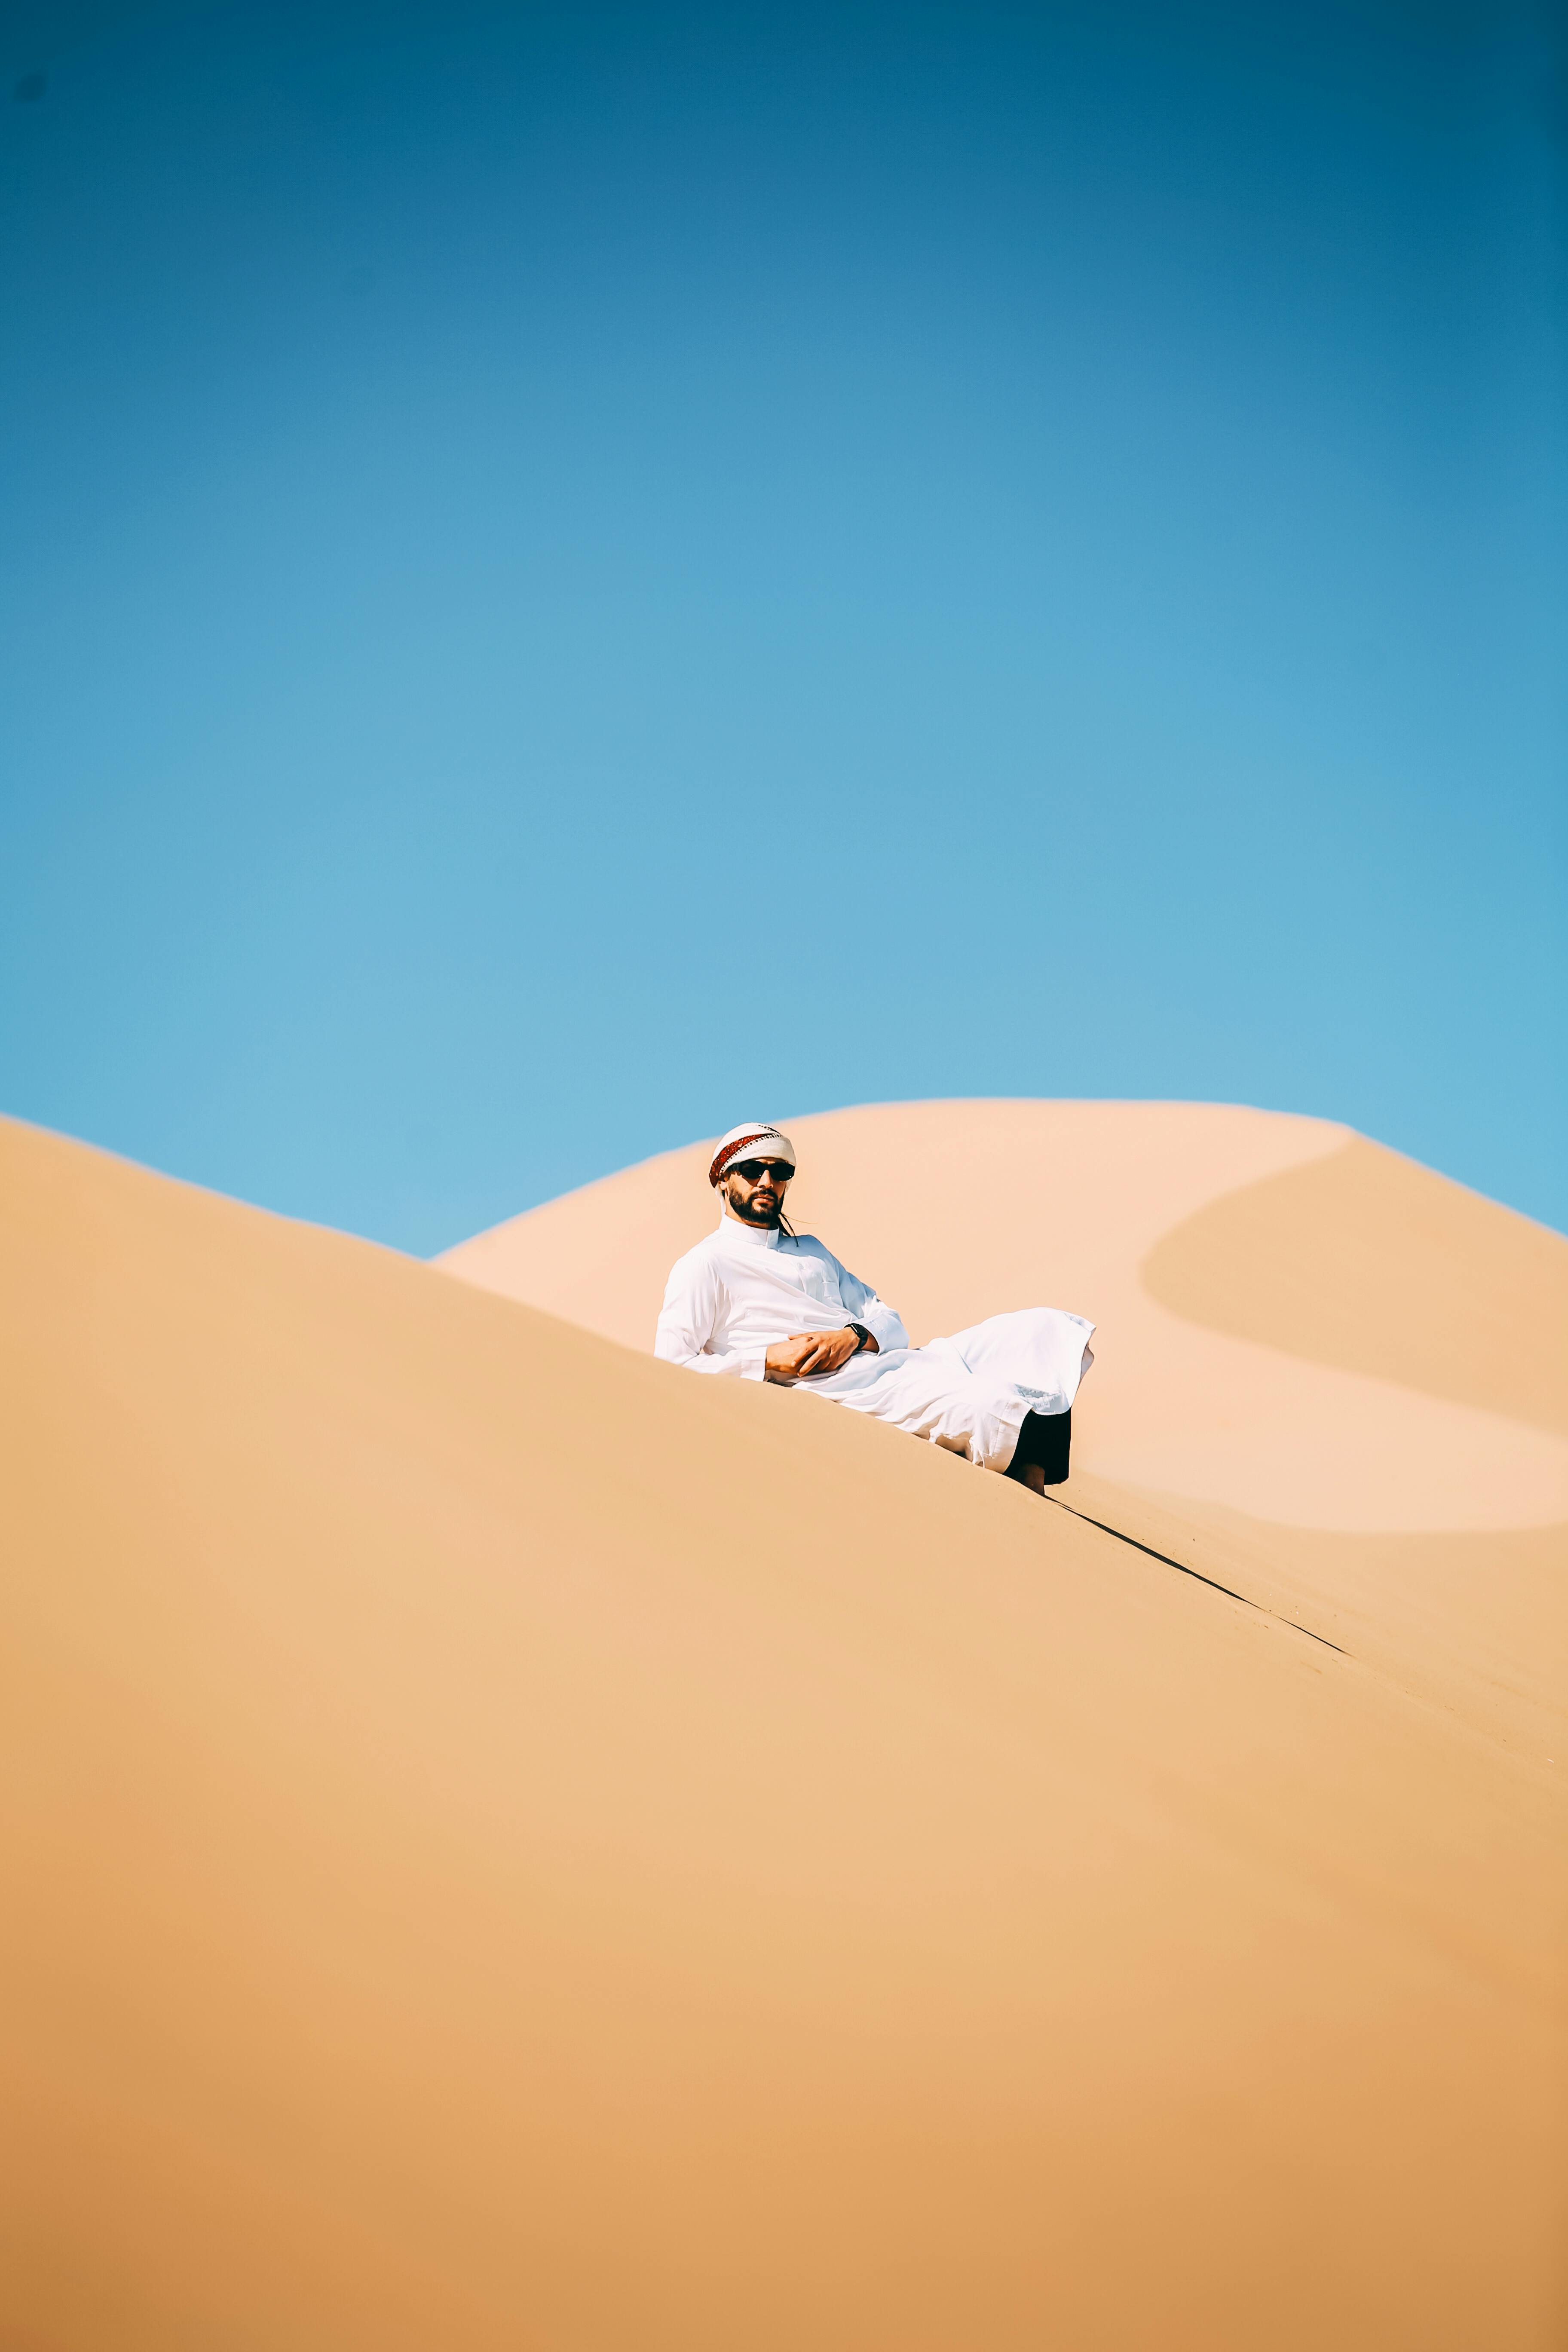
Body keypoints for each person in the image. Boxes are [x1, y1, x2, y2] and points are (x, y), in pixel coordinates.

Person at [654, 1123, 1094, 1494]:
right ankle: (1029, 1515)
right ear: (723, 1181)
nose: (767, 1182)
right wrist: (766, 1359)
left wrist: (852, 1335)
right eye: (752, 1171)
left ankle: (1032, 1490)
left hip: (896, 1362)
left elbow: (889, 1321)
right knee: (991, 1403)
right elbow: (672, 1365)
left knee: (1043, 1333)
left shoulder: (812, 1252)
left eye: (780, 1171)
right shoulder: (705, 1264)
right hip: (844, 1390)